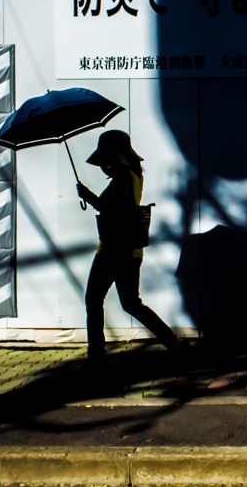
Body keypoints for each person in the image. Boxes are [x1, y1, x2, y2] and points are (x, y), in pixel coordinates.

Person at [76, 130, 189, 368]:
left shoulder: (121, 181)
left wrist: (90, 196)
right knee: (131, 302)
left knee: (94, 299)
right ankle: (174, 343)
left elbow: (115, 210)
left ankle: (96, 355)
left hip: (112, 250)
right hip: (131, 251)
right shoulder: (134, 176)